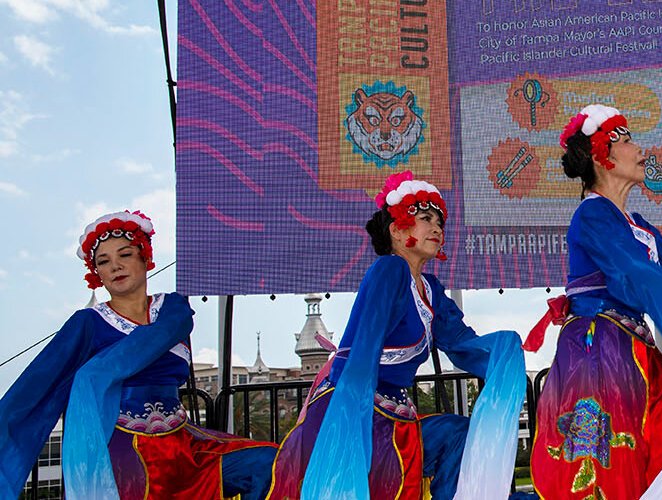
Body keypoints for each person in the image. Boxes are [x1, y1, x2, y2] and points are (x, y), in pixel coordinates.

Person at [523, 104, 662, 499]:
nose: (641, 149)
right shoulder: (592, 215)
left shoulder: (639, 225)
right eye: (627, 141)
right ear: (601, 157)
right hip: (598, 354)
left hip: (636, 355)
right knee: (613, 466)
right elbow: (629, 273)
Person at [269, 171, 527, 499]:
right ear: (396, 228)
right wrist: (350, 427)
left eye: (439, 221)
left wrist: (505, 351)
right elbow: (363, 349)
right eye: (425, 219)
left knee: (457, 436)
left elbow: (463, 344)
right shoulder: (389, 271)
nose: (436, 228)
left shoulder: (431, 291)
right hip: (354, 410)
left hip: (394, 417)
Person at [0, 210, 276, 499]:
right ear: (97, 274)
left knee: (267, 463)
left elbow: (171, 327)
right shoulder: (87, 324)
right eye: (103, 262)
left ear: (145, 257)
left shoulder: (173, 309)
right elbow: (31, 389)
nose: (115, 266)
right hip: (122, 446)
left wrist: (97, 372)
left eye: (125, 255)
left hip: (183, 441)